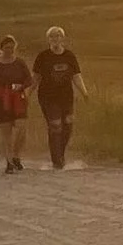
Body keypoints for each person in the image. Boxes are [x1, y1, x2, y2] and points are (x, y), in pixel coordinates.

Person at [33, 24, 84, 168]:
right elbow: (36, 78)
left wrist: (84, 92)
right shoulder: (43, 57)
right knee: (56, 126)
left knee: (68, 126)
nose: (56, 39)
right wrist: (26, 93)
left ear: (63, 39)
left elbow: (76, 76)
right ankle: (57, 161)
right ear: (48, 39)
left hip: (66, 96)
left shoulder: (69, 56)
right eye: (52, 36)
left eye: (58, 36)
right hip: (48, 97)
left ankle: (60, 154)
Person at [0, 31, 33, 171]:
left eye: (12, 47)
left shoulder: (19, 62)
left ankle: (16, 155)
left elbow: (29, 79)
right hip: (2, 100)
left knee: (22, 129)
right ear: (1, 48)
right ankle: (9, 162)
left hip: (18, 98)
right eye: (7, 47)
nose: (9, 50)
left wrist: (22, 86)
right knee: (6, 133)